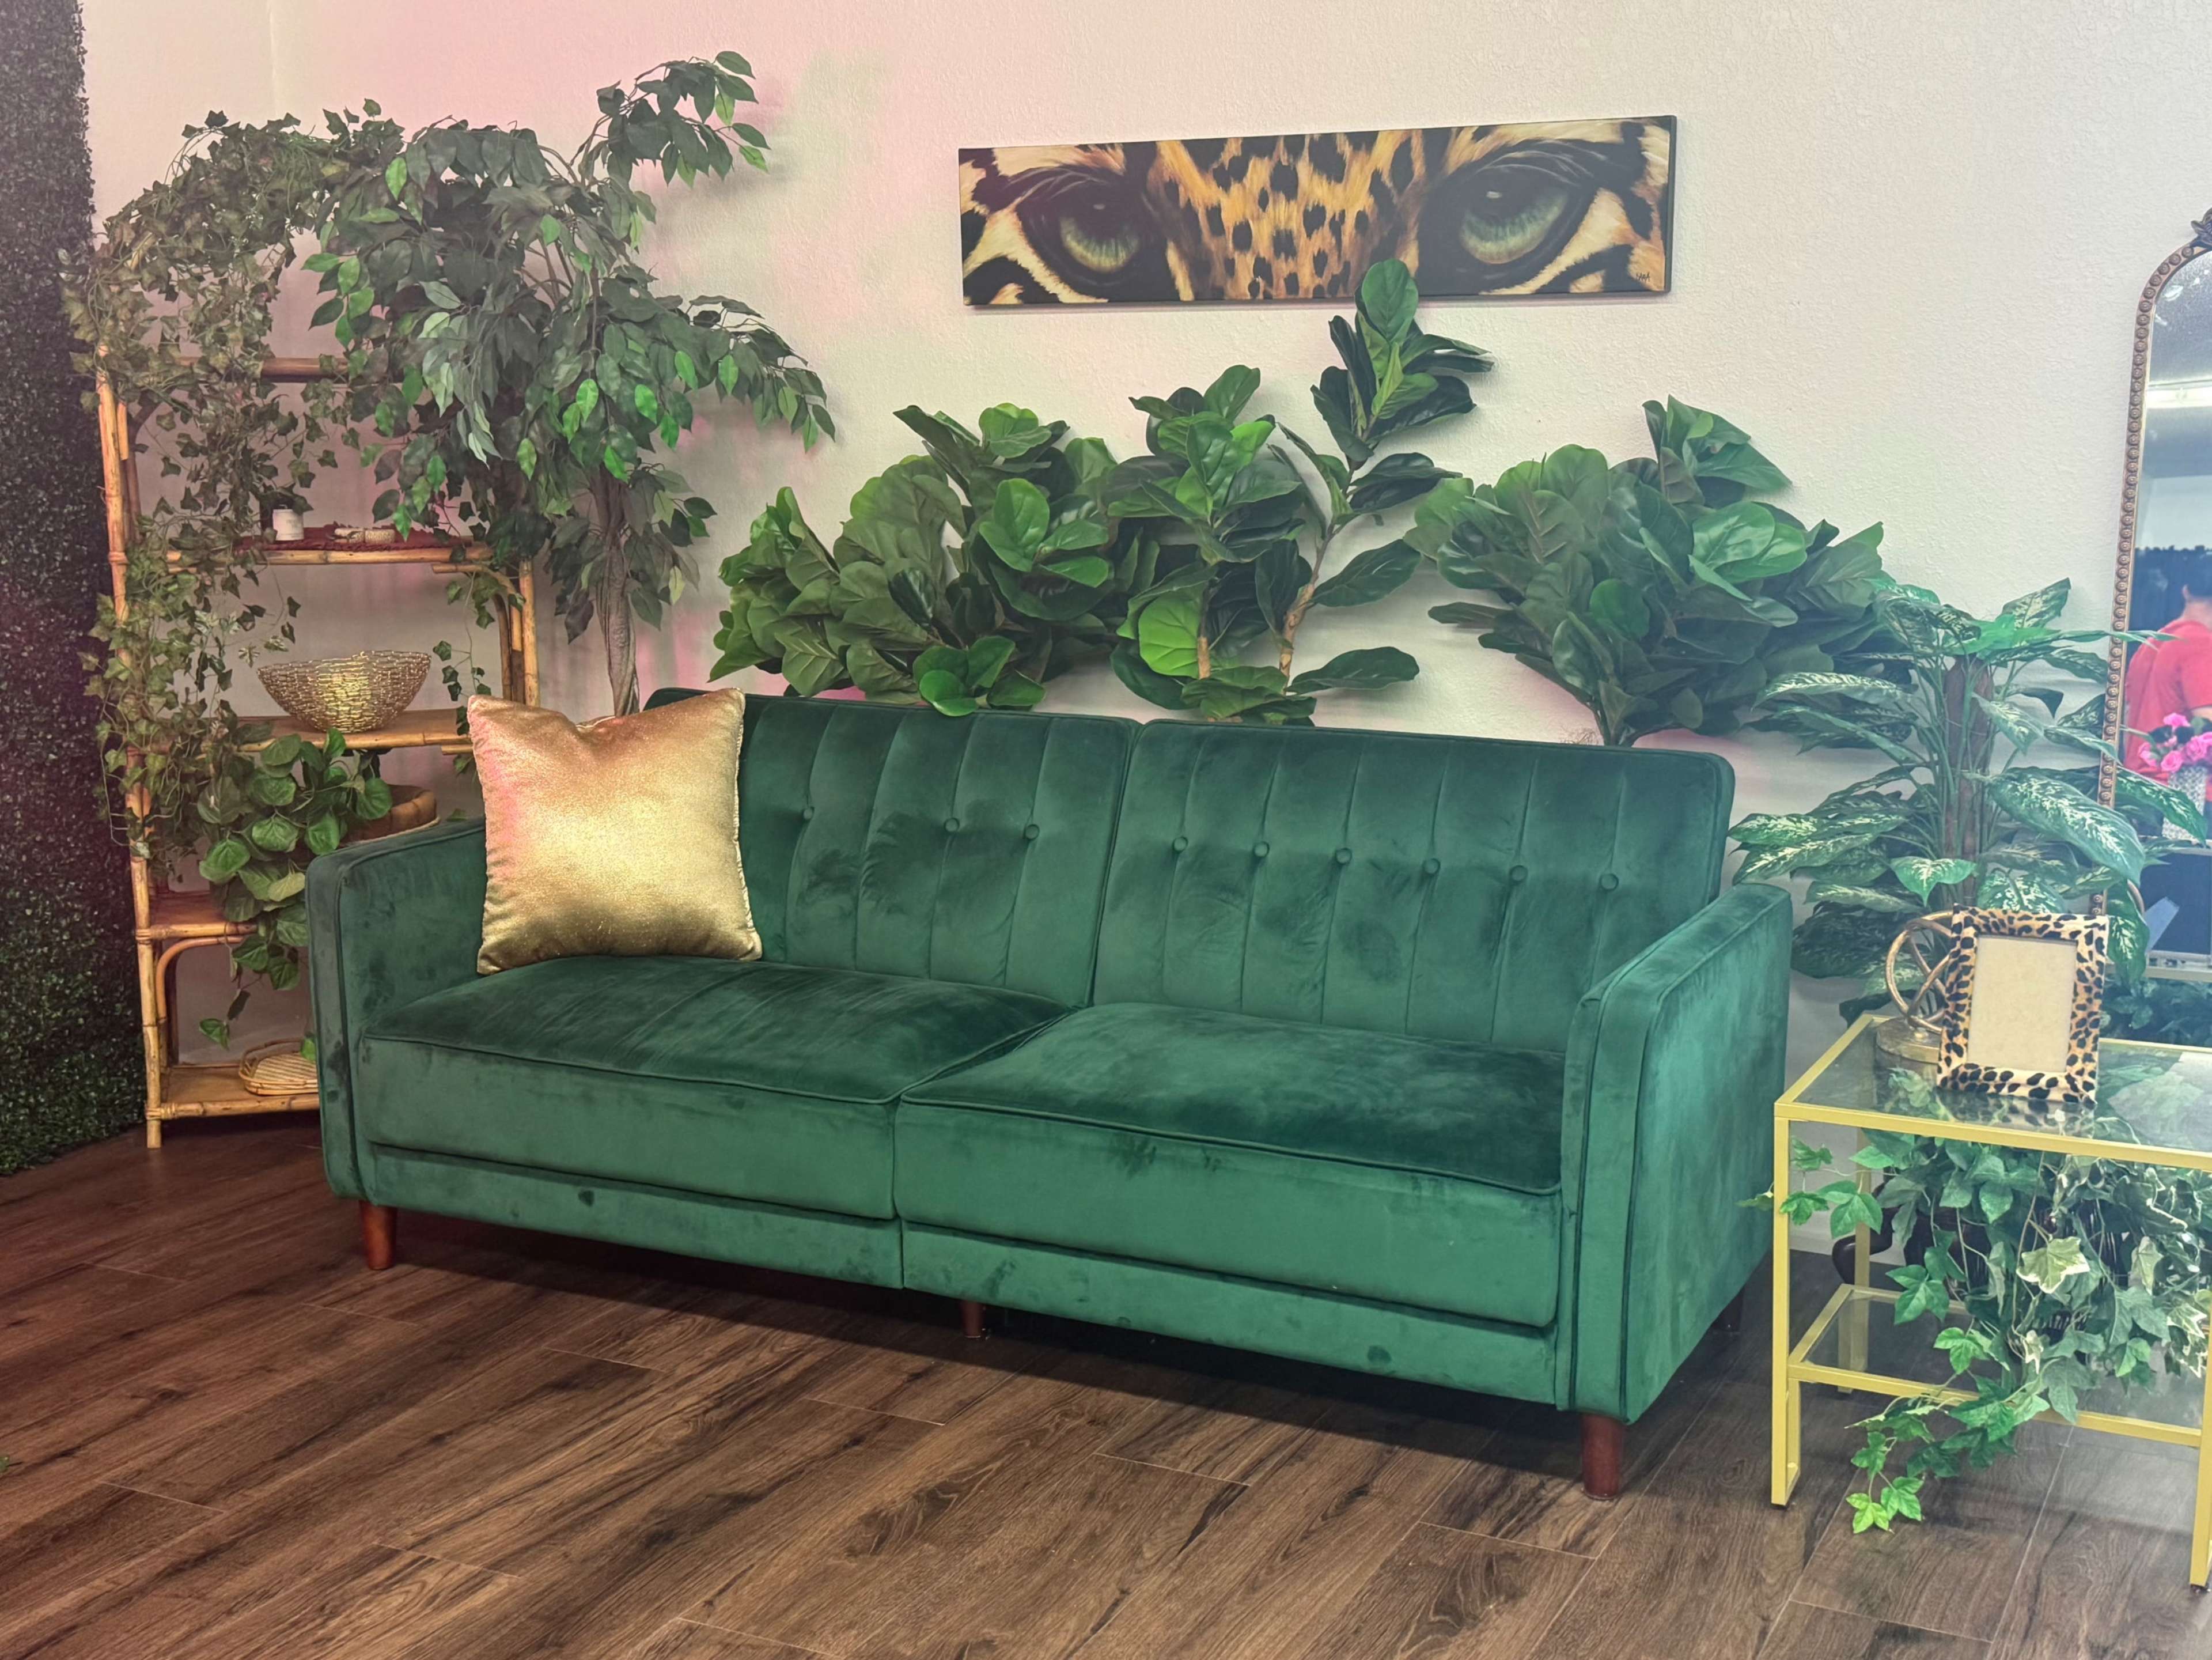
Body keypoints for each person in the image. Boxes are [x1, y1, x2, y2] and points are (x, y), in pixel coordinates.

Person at [2125, 549, 2212, 792]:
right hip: (2186, 794)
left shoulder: (2153, 642)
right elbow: (2207, 724)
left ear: (2185, 591)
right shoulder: (2203, 644)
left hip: (2140, 784)